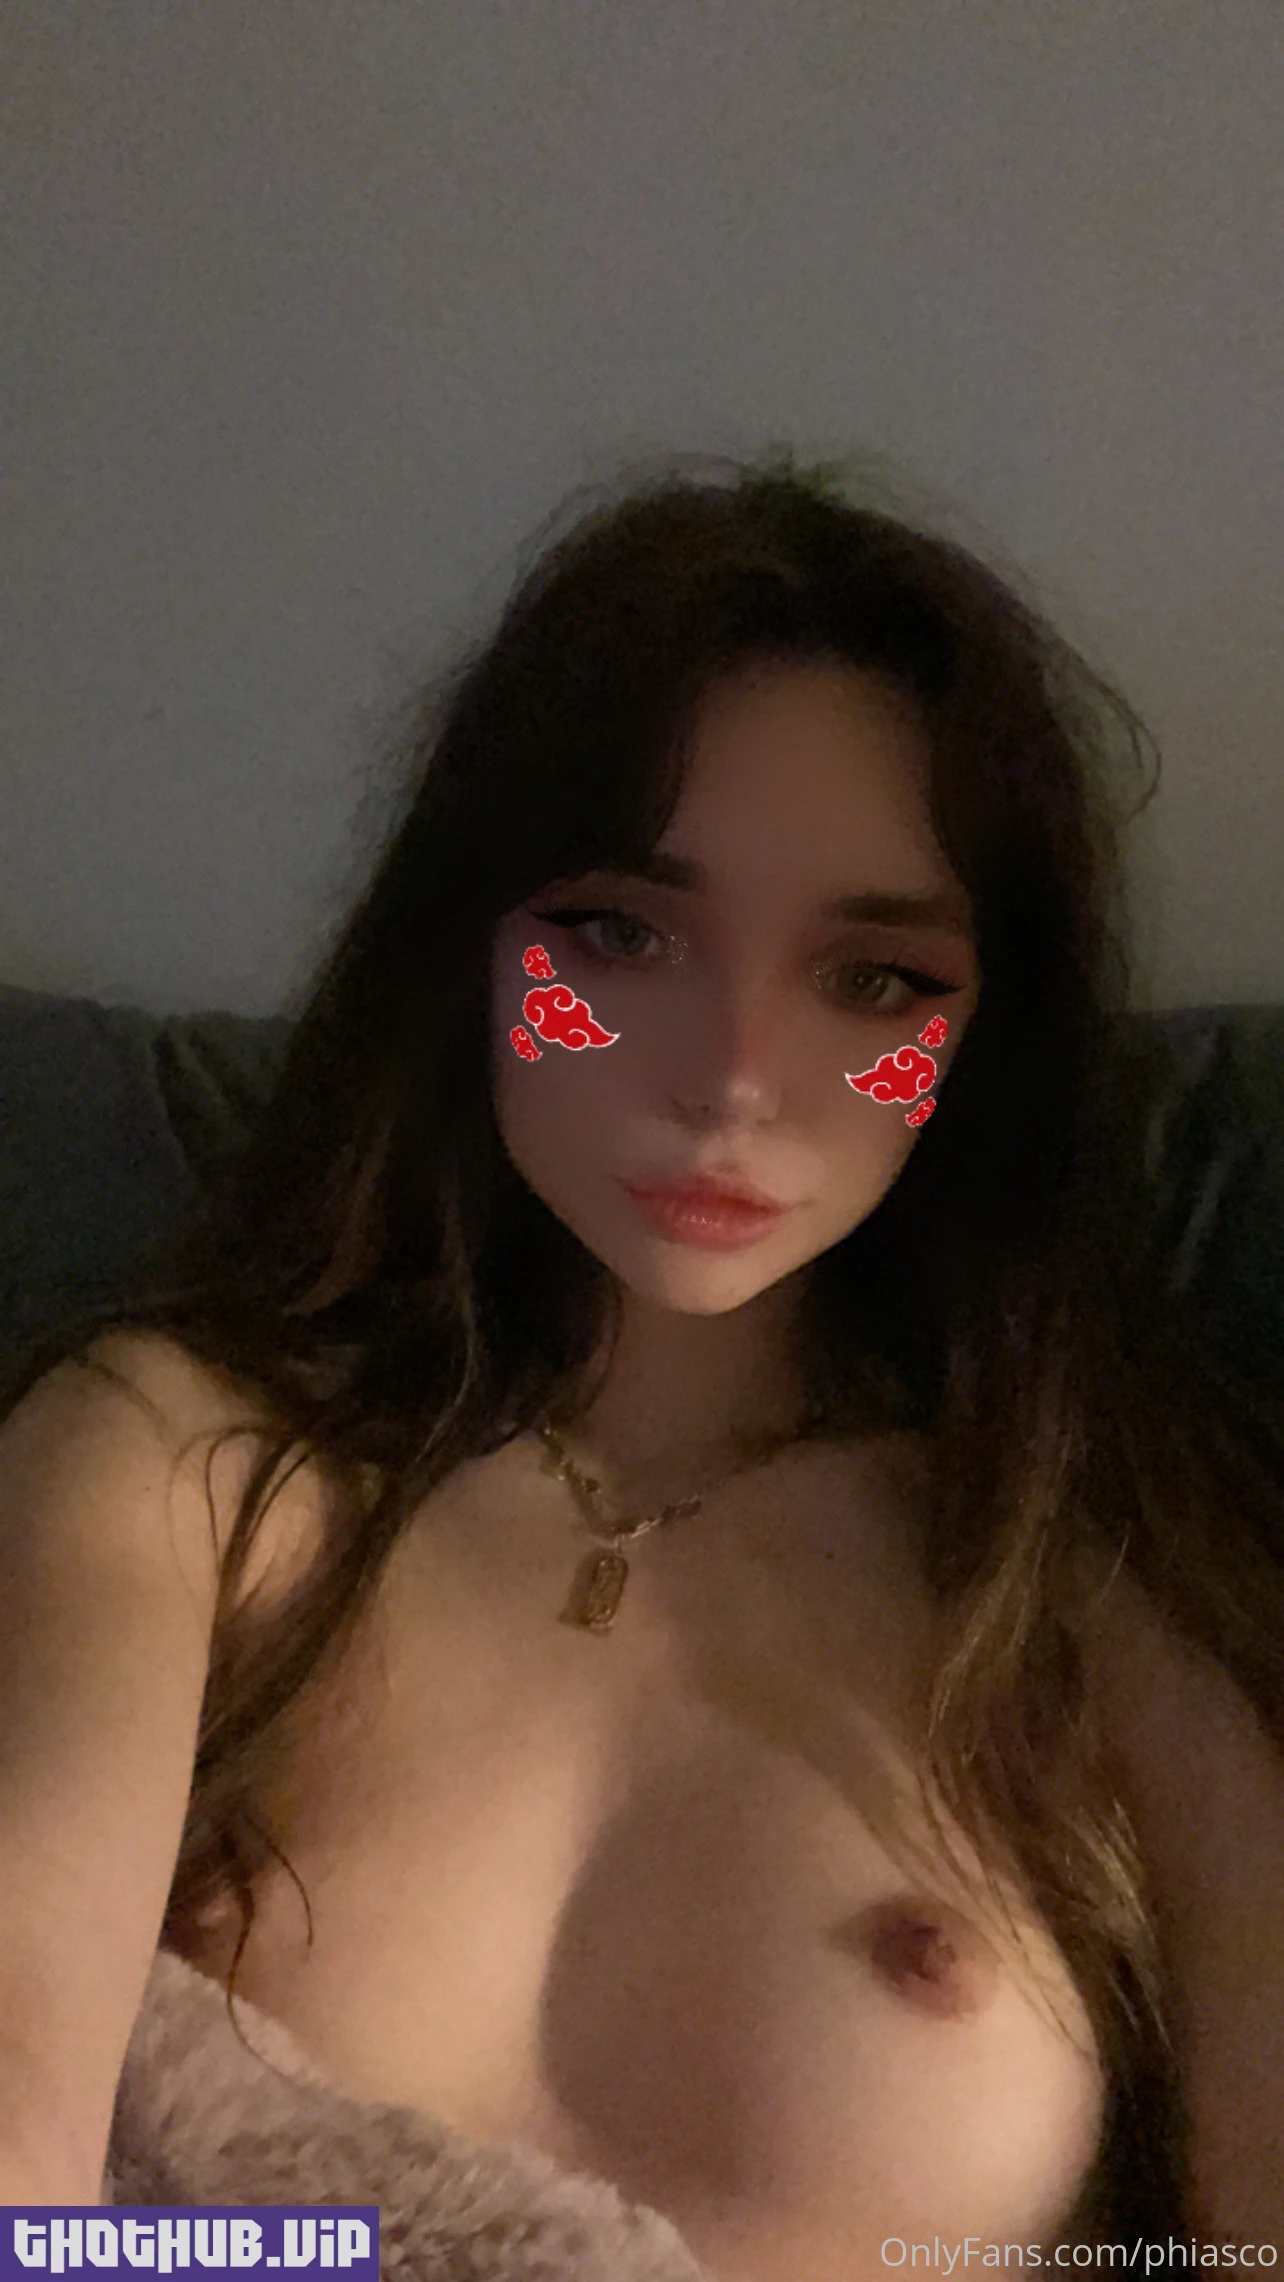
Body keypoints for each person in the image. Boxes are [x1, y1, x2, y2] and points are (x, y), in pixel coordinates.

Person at [1, 451, 1282, 2274]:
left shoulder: (1099, 1568)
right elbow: (21, 2183)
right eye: (621, 934)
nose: (731, 1077)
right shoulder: (182, 1466)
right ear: (475, 939)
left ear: (983, 1036)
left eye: (877, 981)